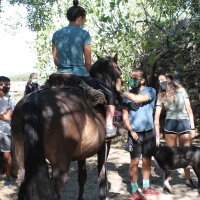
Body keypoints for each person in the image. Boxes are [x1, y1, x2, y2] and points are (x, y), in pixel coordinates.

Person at [52, 0, 117, 138]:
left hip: (59, 76)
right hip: (78, 75)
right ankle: (109, 126)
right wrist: (87, 74)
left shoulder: (57, 34)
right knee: (110, 93)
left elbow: (55, 60)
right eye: (84, 19)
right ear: (80, 18)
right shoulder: (84, 34)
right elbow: (88, 62)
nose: (84, 22)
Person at [116, 68, 160, 200]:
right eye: (131, 78)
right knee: (134, 162)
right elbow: (125, 116)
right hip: (134, 133)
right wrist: (131, 131)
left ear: (143, 80)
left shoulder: (150, 91)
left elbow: (138, 99)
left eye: (135, 79)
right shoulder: (128, 95)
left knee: (147, 161)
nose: (132, 81)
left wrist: (120, 91)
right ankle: (135, 190)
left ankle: (146, 187)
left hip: (148, 133)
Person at [154, 73, 196, 189]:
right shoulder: (161, 95)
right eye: (159, 80)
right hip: (170, 124)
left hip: (183, 123)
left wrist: (192, 127)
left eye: (162, 80)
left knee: (187, 153)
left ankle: (188, 179)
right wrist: (157, 135)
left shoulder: (181, 91)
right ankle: (168, 181)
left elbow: (189, 110)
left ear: (169, 81)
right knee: (170, 153)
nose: (160, 82)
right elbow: (156, 117)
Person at [0, 76, 15, 188]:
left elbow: (10, 116)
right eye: (5, 84)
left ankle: (8, 178)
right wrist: (2, 115)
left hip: (5, 131)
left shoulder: (10, 98)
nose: (8, 86)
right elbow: (4, 116)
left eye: (9, 84)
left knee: (6, 155)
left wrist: (4, 116)